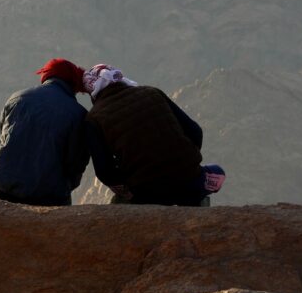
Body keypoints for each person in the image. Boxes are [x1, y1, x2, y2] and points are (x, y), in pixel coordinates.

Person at [82, 64, 225, 206]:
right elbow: (195, 131)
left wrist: (129, 185)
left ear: (93, 91)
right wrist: (186, 162)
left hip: (146, 192)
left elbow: (105, 171)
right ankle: (199, 199)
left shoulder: (94, 118)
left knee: (119, 203)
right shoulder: (152, 92)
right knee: (217, 172)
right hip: (189, 179)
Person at [0, 58, 90, 206]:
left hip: (4, 191)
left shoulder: (17, 97)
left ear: (47, 76)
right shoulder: (79, 114)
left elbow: (4, 141)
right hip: (50, 198)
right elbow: (75, 165)